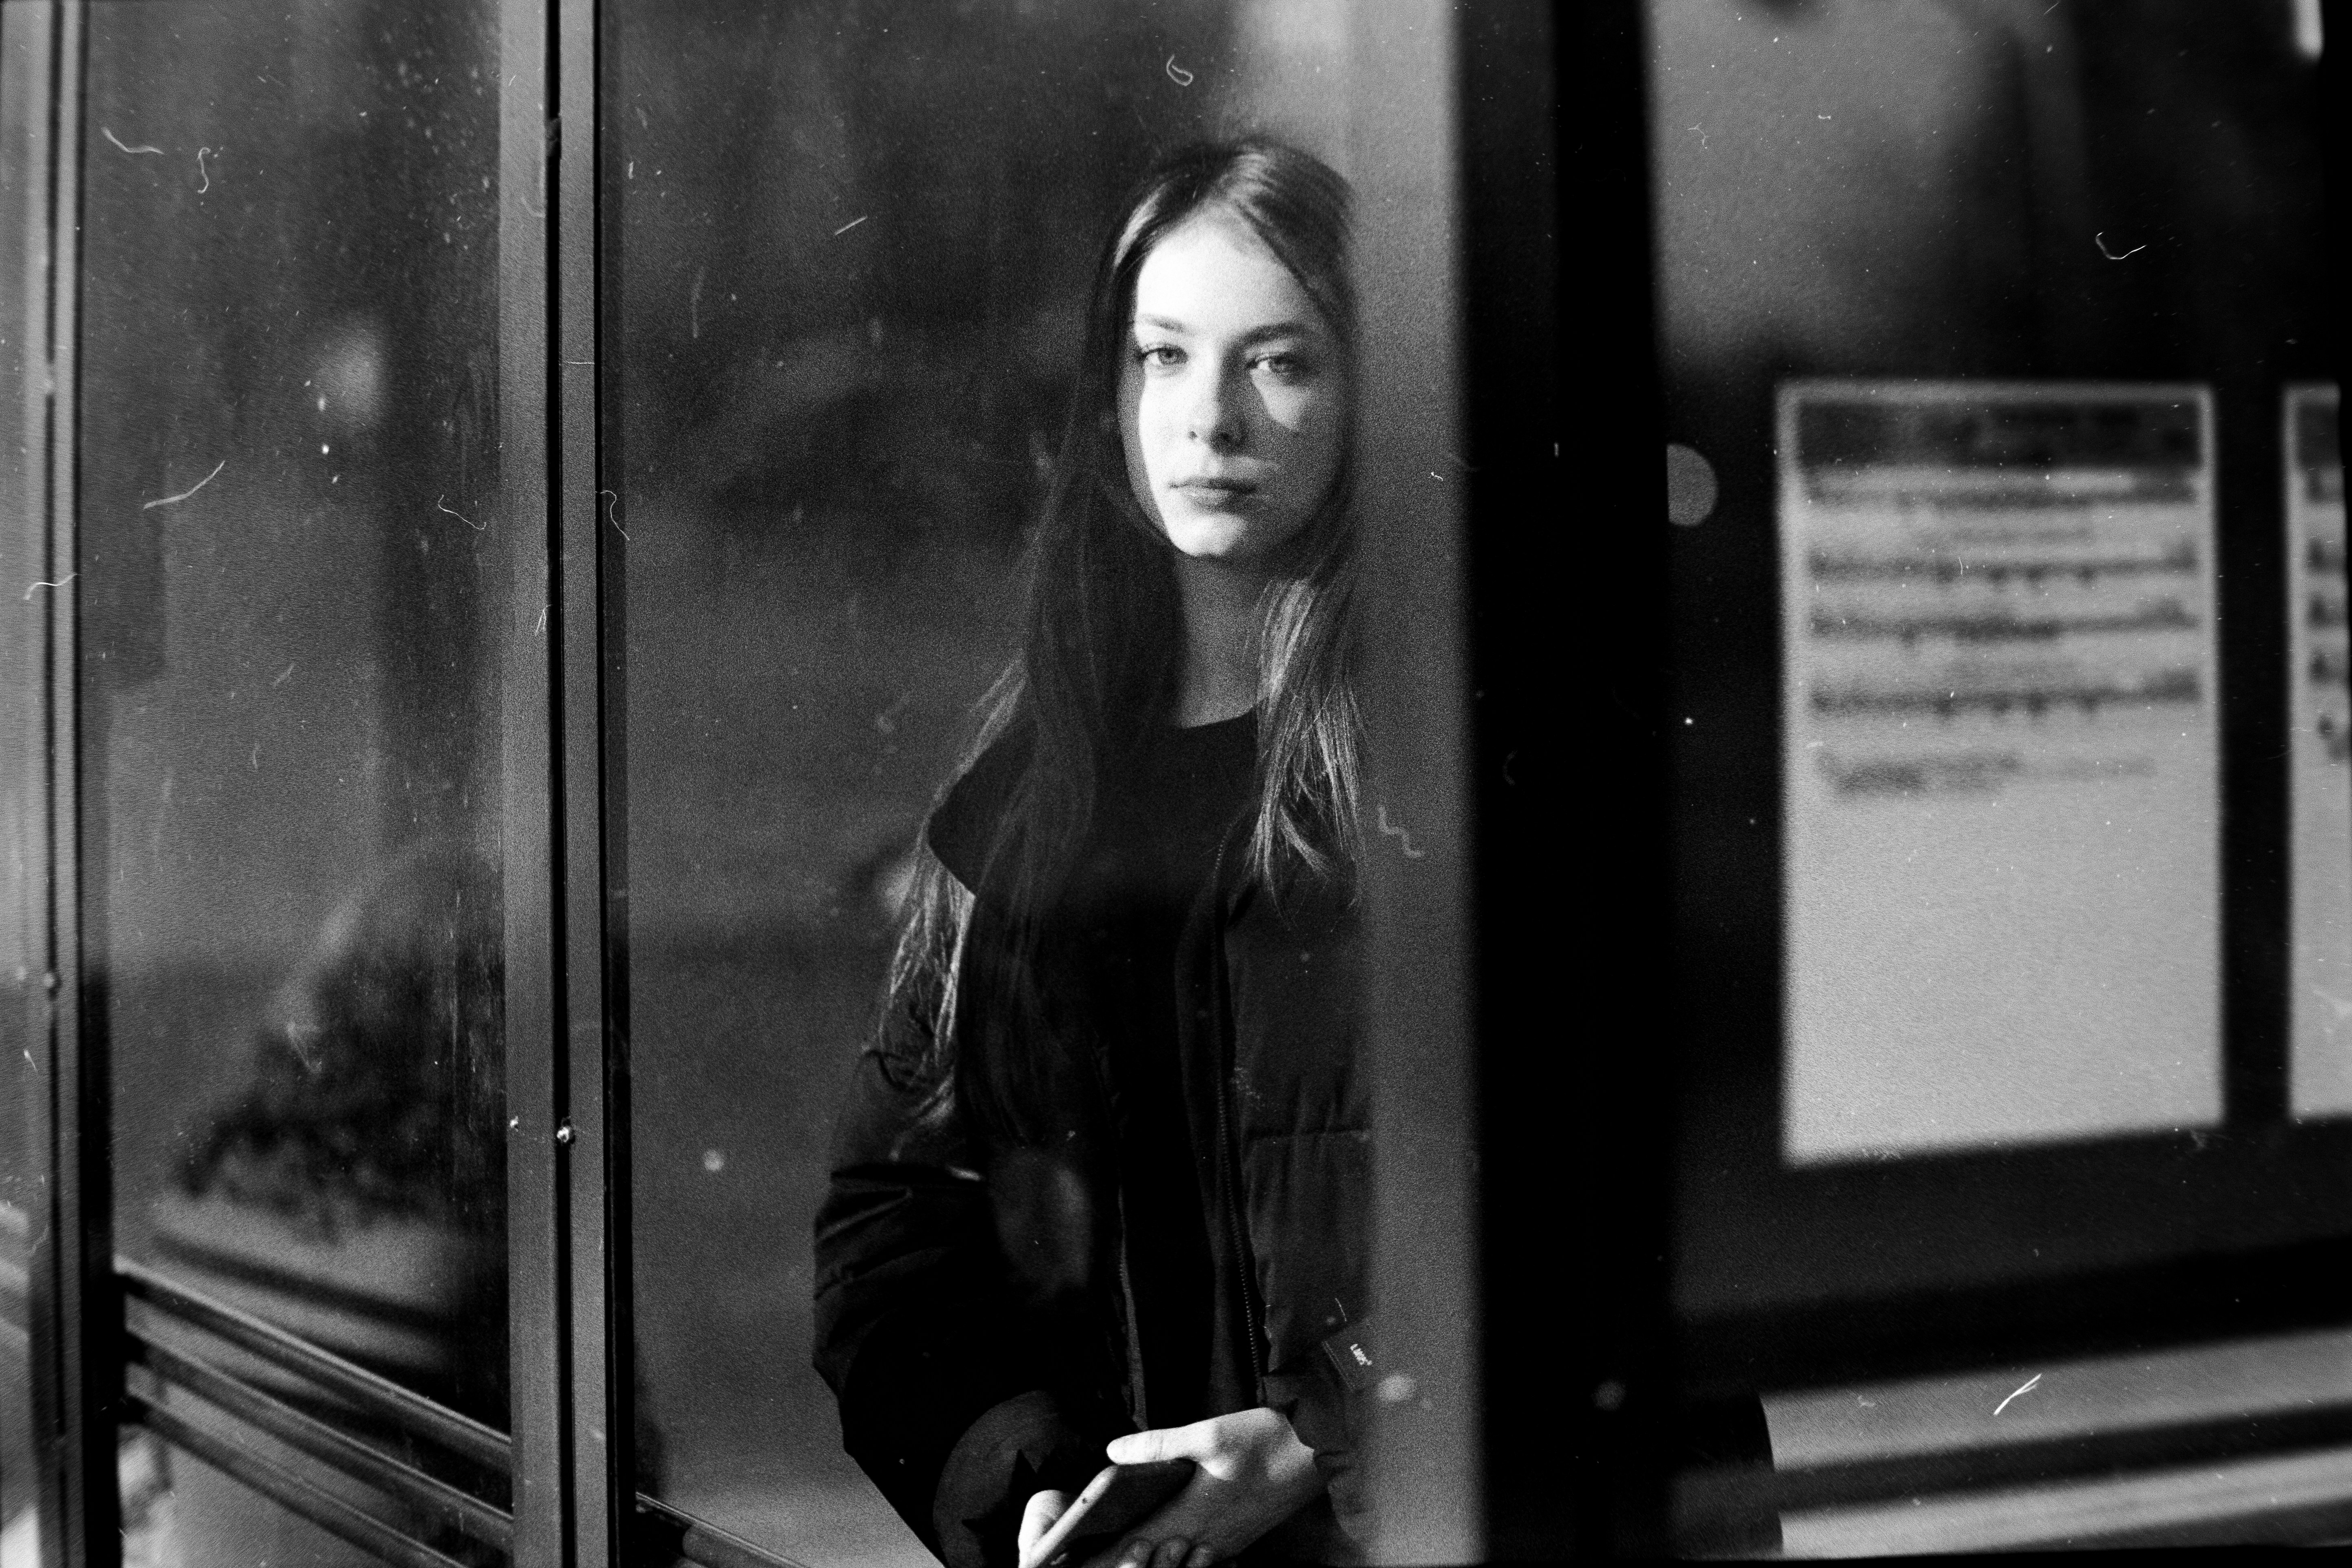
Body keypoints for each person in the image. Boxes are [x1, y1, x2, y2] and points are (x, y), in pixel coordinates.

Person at [813, 138, 1372, 1568]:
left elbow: (1595, 1206)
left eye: (1280, 361)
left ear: (1369, 391)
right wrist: (1035, 1496)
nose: (1211, 419)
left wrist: (1319, 1435)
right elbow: (892, 1237)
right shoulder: (1025, 794)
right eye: (1162, 356)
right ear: (1109, 394)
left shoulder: (1445, 773)